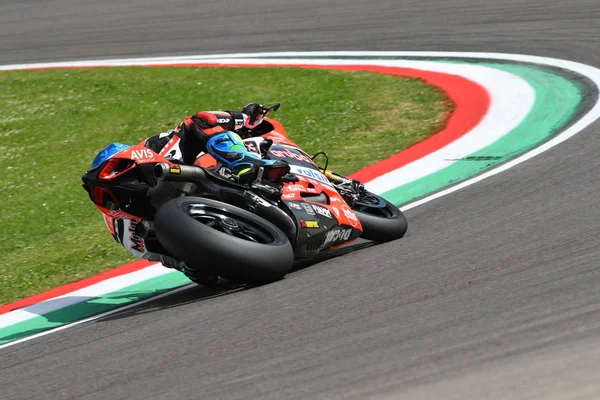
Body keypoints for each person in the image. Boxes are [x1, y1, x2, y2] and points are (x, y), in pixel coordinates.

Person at [91, 103, 289, 285]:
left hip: (216, 168)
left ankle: (246, 164)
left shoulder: (154, 148)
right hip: (228, 235)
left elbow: (201, 121)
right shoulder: (123, 229)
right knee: (200, 274)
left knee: (201, 122)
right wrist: (188, 262)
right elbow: (167, 259)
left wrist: (245, 117)